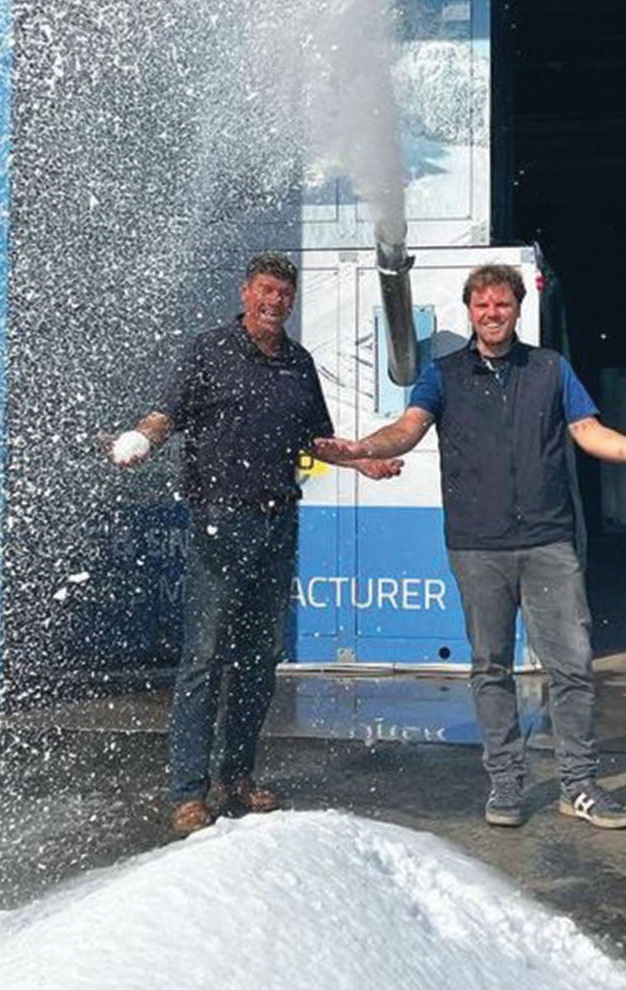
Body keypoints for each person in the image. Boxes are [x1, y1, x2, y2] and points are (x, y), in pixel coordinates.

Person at [315, 263, 626, 830]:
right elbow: (408, 429)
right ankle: (505, 785)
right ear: (469, 312)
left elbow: (589, 432)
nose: (492, 314)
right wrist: (360, 448)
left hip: (548, 540)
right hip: (477, 545)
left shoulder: (550, 368)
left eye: (502, 304)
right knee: (490, 667)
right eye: (481, 305)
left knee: (572, 666)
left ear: (518, 309)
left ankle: (578, 785)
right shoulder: (442, 375)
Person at [113, 252, 402, 836]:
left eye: (285, 294)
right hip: (219, 521)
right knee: (204, 659)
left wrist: (364, 463)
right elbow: (165, 414)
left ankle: (237, 777)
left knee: (258, 659)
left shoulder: (299, 363)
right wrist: (142, 439)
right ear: (246, 293)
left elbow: (314, 439)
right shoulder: (207, 350)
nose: (275, 302)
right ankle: (188, 792)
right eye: (265, 290)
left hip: (277, 525)